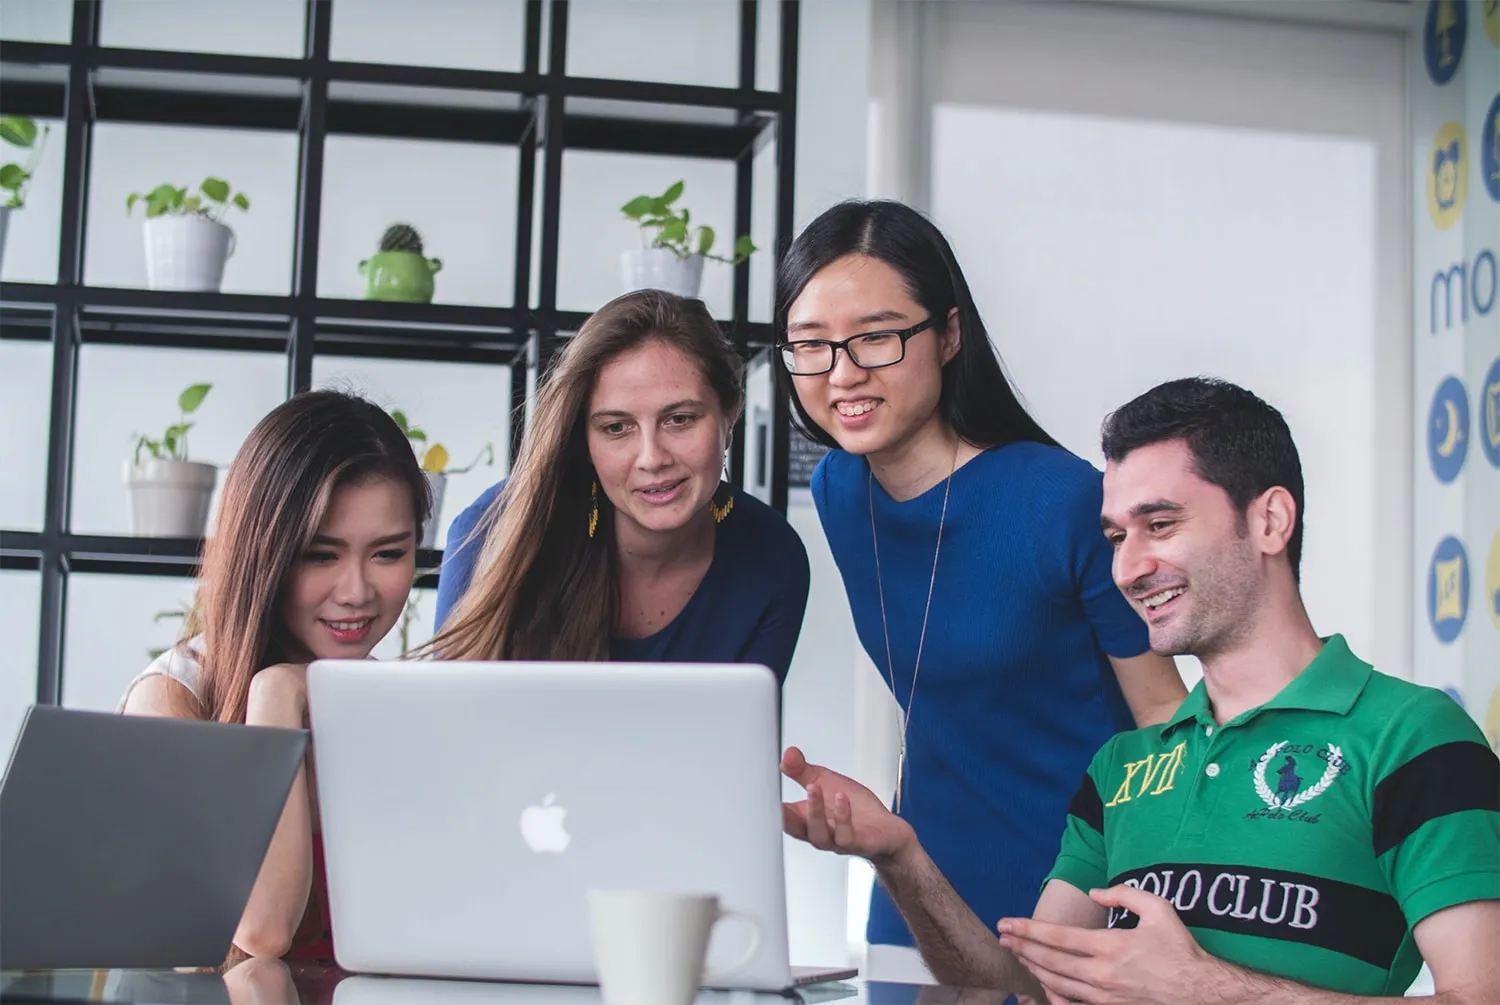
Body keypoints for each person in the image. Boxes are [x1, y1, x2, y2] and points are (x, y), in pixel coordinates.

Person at [781, 377, 1500, 1002]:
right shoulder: (1121, 765)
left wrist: (1204, 989)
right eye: (1117, 535)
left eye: (1160, 523)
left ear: (1270, 519)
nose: (1129, 567)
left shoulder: (1413, 736)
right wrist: (900, 854)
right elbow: (1028, 982)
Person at [773, 199, 1186, 970]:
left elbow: (1163, 717)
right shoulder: (839, 490)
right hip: (917, 886)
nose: (843, 373)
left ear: (949, 333)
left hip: (1075, 895)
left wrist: (1149, 910)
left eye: (878, 338)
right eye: (812, 346)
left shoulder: (1059, 500)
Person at [119, 390, 431, 961]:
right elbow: (262, 931)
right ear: (265, 553)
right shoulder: (172, 698)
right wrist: (276, 698)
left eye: (388, 554)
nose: (357, 592)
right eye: (321, 555)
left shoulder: (391, 705)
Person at [429, 289, 809, 681]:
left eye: (679, 419)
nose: (651, 457)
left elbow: (741, 736)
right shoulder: (492, 531)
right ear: (584, 439)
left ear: (729, 415)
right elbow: (452, 727)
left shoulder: (772, 558)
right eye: (616, 428)